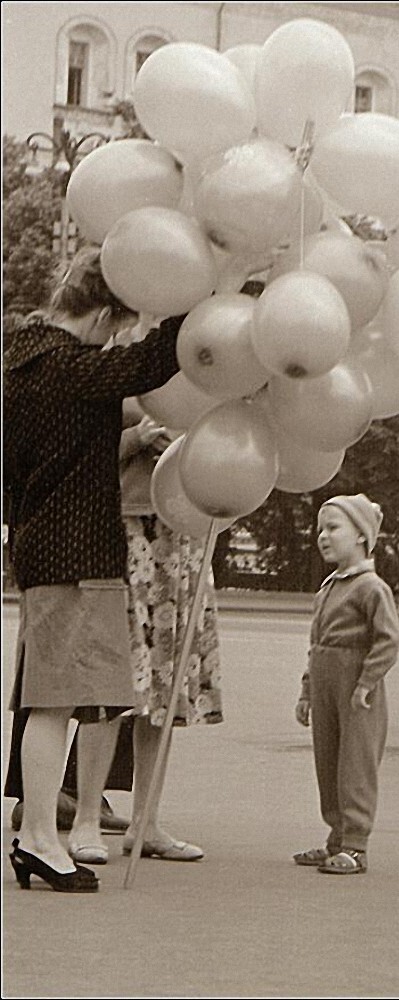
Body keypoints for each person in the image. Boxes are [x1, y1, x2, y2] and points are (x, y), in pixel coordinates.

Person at [4, 247, 183, 892]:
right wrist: (216, 296)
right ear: (103, 314)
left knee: (54, 701)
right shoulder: (72, 368)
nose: (120, 338)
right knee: (54, 705)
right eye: (119, 324)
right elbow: (159, 358)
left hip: (41, 543)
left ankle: (41, 838)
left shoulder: (16, 361)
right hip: (77, 550)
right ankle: (39, 841)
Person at [65, 398, 221, 865]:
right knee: (113, 675)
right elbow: (75, 453)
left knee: (163, 683)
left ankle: (146, 821)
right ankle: (86, 817)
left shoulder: (206, 376)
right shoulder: (119, 369)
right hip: (126, 526)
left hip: (186, 527)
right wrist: (139, 436)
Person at [293, 494, 399, 874]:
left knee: (355, 764)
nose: (323, 536)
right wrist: (307, 691)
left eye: (333, 528)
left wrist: (367, 681)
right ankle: (335, 836)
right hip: (325, 679)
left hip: (356, 686)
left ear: (361, 535)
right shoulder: (329, 586)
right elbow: (316, 642)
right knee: (329, 763)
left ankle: (356, 844)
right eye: (321, 529)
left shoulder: (371, 587)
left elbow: (388, 639)